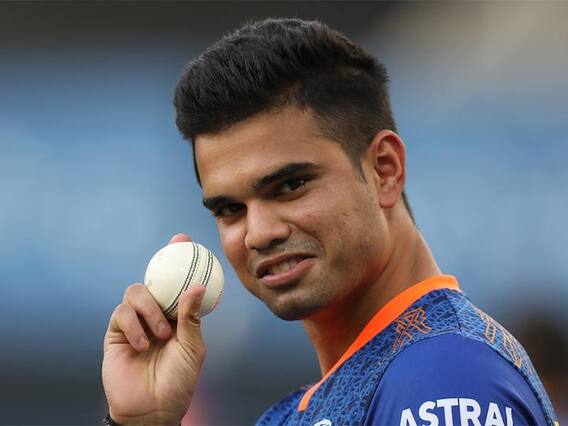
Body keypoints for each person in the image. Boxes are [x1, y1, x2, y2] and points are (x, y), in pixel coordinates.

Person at [102, 18, 558, 426]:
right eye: (230, 210)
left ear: (385, 169)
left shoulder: (444, 376)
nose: (259, 233)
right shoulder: (306, 409)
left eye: (291, 185)